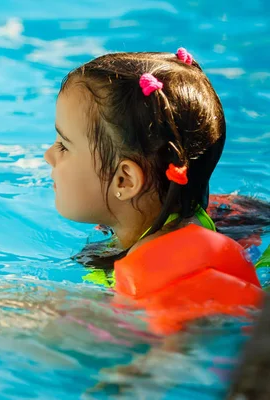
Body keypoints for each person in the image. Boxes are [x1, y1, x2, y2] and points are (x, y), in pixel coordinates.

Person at [44, 48, 264, 335]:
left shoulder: (156, 279)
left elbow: (176, 350)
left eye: (63, 145)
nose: (49, 155)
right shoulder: (196, 214)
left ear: (124, 181)